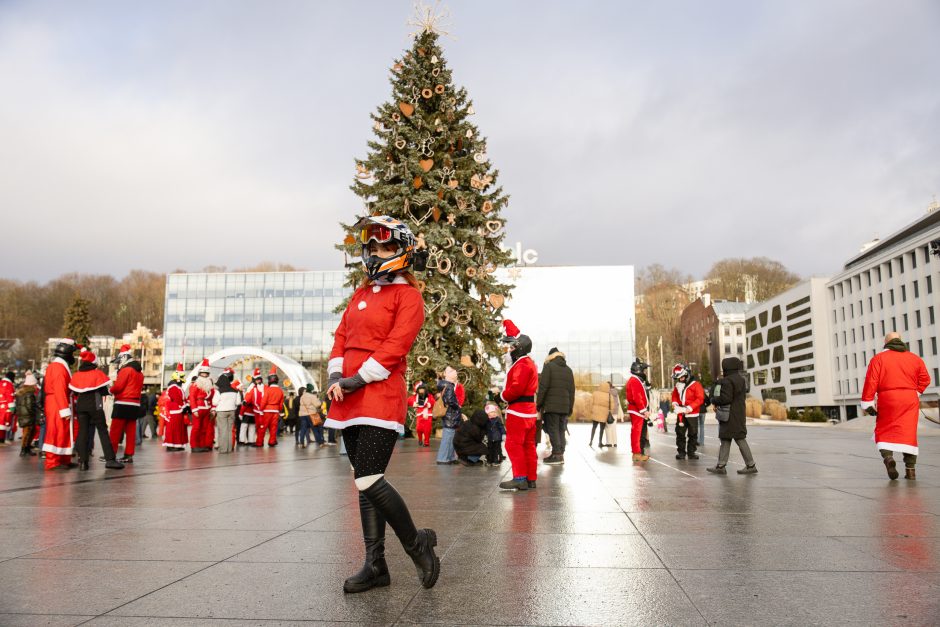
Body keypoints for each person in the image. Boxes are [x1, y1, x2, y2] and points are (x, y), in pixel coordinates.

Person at [324, 215, 439, 594]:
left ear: (401, 250)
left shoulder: (409, 296)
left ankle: (416, 543)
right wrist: (334, 377)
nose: (375, 252)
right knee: (364, 482)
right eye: (371, 246)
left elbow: (395, 347)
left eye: (384, 246)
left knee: (369, 477)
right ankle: (375, 565)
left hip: (379, 394)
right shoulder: (361, 293)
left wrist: (357, 379)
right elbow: (341, 335)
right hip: (347, 396)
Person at [861, 332, 932, 480]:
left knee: (884, 429)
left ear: (886, 343)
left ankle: (888, 459)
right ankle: (910, 470)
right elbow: (925, 379)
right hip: (909, 399)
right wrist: (916, 393)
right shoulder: (915, 358)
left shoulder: (878, 359)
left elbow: (871, 381)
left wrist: (867, 403)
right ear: (900, 341)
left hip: (888, 398)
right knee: (909, 432)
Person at [498, 319, 539, 492]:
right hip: (529, 413)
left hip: (519, 412)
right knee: (528, 445)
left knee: (513, 444)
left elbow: (515, 389)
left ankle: (520, 478)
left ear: (520, 348)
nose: (510, 351)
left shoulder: (522, 364)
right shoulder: (529, 363)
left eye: (512, 348)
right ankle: (530, 478)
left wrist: (501, 396)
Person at [69, 350, 124, 471]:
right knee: (102, 431)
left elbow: (75, 391)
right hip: (95, 405)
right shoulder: (97, 374)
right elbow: (104, 391)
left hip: (81, 406)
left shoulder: (77, 375)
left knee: (83, 432)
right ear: (94, 362)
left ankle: (83, 462)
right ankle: (110, 460)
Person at [707, 357, 757, 475]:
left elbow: (726, 398)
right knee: (727, 438)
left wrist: (714, 400)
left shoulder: (727, 381)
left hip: (729, 415)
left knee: (738, 439)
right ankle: (721, 466)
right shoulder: (741, 379)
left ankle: (750, 465)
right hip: (738, 413)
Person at [42, 339, 79, 470]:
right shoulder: (58, 367)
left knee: (63, 431)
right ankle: (52, 461)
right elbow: (59, 388)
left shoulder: (59, 366)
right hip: (57, 402)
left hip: (59, 401)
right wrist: (64, 409)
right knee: (55, 430)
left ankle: (64, 459)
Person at [537, 347, 575, 465]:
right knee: (561, 429)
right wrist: (570, 408)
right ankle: (560, 453)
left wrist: (539, 403)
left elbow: (543, 387)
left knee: (552, 429)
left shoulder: (549, 367)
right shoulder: (568, 370)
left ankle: (557, 455)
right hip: (564, 406)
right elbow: (572, 391)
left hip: (551, 405)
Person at [108, 344, 144, 463]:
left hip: (123, 402)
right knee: (131, 431)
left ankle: (110, 454)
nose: (118, 364)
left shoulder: (126, 370)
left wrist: (109, 389)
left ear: (123, 358)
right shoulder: (139, 373)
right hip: (135, 404)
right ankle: (129, 455)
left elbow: (118, 387)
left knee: (115, 430)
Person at [672, 363, 703, 460]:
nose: (680, 380)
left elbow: (700, 398)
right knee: (680, 433)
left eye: (682, 377)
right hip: (681, 412)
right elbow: (675, 395)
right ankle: (681, 452)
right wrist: (675, 403)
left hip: (692, 413)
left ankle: (691, 452)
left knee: (693, 434)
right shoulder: (678, 385)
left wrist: (690, 407)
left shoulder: (696, 385)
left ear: (687, 375)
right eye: (679, 378)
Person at [625, 359, 651, 462]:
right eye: (643, 370)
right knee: (637, 432)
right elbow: (637, 397)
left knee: (639, 432)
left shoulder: (635, 380)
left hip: (637, 410)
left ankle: (638, 452)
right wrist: (644, 410)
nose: (644, 373)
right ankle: (636, 454)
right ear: (638, 370)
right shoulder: (635, 380)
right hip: (637, 410)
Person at [188, 359, 215, 452]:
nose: (205, 375)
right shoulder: (195, 385)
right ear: (200, 374)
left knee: (204, 428)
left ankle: (202, 445)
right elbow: (192, 397)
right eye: (203, 373)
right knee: (196, 428)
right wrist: (194, 409)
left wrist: (212, 409)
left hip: (207, 409)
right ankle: (194, 446)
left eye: (206, 373)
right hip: (198, 408)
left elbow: (211, 398)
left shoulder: (210, 385)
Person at [435, 368, 461, 465]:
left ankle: (450, 457)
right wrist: (457, 406)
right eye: (452, 372)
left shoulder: (445, 385)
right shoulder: (448, 386)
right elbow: (450, 400)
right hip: (451, 415)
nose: (455, 373)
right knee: (448, 437)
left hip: (450, 415)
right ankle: (443, 458)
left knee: (451, 436)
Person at [163, 364, 188, 452]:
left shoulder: (177, 387)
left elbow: (182, 398)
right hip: (174, 411)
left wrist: (186, 405)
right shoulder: (173, 387)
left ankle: (177, 444)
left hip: (178, 410)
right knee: (173, 429)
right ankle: (170, 445)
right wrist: (183, 406)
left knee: (179, 429)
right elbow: (177, 399)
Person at [257, 366, 283, 447]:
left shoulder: (267, 390)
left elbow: (264, 401)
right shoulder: (280, 391)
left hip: (267, 411)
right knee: (273, 428)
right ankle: (272, 441)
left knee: (263, 427)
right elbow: (281, 404)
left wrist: (261, 409)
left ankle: (260, 442)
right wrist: (279, 410)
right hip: (275, 411)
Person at [15, 371, 39, 456]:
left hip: (23, 415)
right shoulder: (29, 394)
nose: (36, 386)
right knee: (28, 432)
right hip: (28, 416)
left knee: (28, 432)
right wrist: (35, 413)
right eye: (35, 384)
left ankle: (26, 448)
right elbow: (30, 406)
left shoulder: (21, 392)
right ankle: (24, 449)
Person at [240, 368, 263, 446]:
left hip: (255, 411)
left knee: (252, 426)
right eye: (257, 380)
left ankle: (251, 440)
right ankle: (242, 440)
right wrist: (241, 412)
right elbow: (247, 399)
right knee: (244, 425)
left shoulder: (260, 388)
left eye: (259, 380)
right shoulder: (251, 388)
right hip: (248, 410)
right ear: (254, 380)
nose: (258, 381)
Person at [407, 382, 434, 448]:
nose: (421, 390)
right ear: (417, 390)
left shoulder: (429, 396)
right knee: (419, 429)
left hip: (427, 414)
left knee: (427, 429)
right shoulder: (415, 397)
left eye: (423, 389)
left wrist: (428, 404)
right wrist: (414, 404)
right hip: (419, 414)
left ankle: (426, 442)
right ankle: (420, 439)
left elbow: (433, 402)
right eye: (420, 389)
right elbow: (408, 401)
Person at [0, 370, 14, 444]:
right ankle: (2, 439)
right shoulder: (9, 384)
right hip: (5, 406)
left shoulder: (1, 383)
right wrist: (12, 407)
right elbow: (9, 396)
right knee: (5, 422)